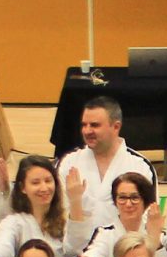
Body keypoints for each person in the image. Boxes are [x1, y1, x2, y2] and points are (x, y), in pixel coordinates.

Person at [57, 92, 157, 234]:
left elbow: (148, 217)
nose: (87, 131)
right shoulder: (69, 163)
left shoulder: (139, 166)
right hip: (77, 245)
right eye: (84, 125)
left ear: (116, 127)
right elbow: (59, 214)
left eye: (95, 125)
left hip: (125, 244)